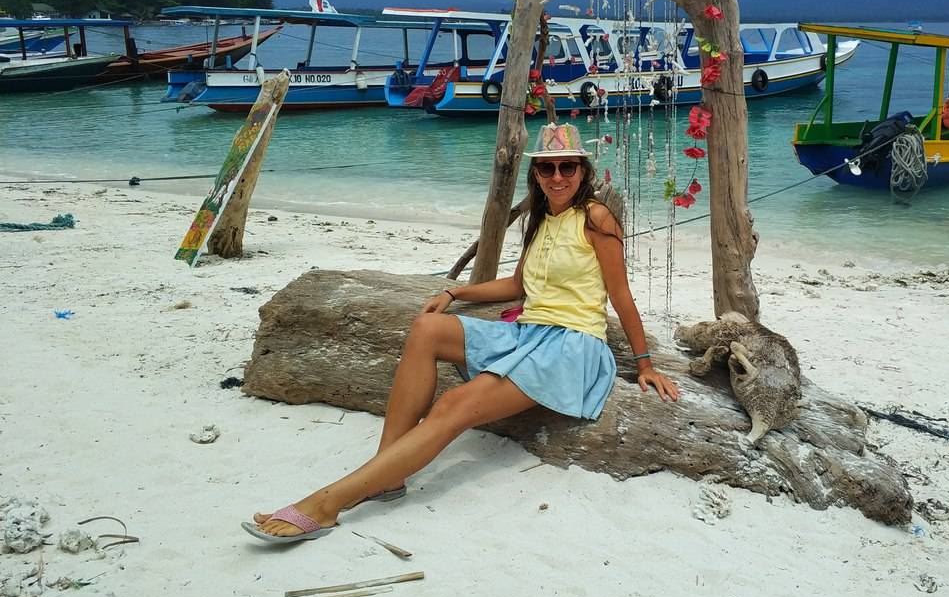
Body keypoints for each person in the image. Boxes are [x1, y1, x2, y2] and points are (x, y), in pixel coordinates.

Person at [244, 122, 679, 542]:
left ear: (582, 172)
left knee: (452, 404)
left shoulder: (596, 218)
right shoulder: (542, 220)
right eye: (547, 168)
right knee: (427, 328)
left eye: (567, 167)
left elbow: (621, 296)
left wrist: (645, 364)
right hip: (527, 334)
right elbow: (518, 285)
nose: (557, 176)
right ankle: (386, 473)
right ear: (537, 174)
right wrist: (455, 292)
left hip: (571, 347)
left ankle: (328, 503)